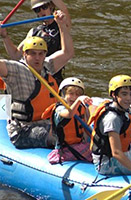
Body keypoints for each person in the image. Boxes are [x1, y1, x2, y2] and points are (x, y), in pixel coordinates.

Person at [0, 10, 74, 149]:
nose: (37, 58)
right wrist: (4, 37)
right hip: (23, 130)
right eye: (32, 54)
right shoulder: (17, 69)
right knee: (59, 135)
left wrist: (62, 26)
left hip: (47, 123)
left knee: (75, 129)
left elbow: (68, 52)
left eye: (41, 54)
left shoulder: (47, 66)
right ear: (25, 54)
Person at [0, 0, 71, 85]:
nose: (41, 11)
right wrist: (5, 36)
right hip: (34, 76)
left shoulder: (62, 23)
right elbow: (15, 55)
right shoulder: (34, 32)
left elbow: (64, 8)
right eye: (37, 10)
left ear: (51, 7)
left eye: (44, 7)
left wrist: (61, 21)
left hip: (53, 74)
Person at [42, 77, 93, 164]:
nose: (74, 97)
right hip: (64, 150)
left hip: (78, 145)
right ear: (63, 94)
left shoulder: (81, 108)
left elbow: (86, 128)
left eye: (78, 94)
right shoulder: (59, 109)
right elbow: (69, 114)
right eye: (71, 93)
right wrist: (79, 100)